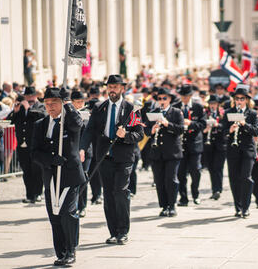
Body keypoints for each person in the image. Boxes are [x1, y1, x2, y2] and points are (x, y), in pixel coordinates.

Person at [80, 74, 144, 244]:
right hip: (104, 157)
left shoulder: (131, 109)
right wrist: (82, 148)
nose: (112, 90)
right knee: (108, 195)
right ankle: (113, 231)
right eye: (110, 87)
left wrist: (126, 135)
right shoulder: (100, 108)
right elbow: (89, 130)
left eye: (115, 87)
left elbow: (140, 133)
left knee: (120, 192)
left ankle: (123, 231)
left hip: (124, 157)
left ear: (122, 88)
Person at [31, 87, 85, 266]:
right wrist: (50, 160)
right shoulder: (40, 125)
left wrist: (68, 103)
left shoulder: (69, 121)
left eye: (54, 103)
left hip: (70, 175)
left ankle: (71, 251)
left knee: (68, 214)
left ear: (61, 103)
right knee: (54, 216)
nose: (50, 107)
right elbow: (35, 152)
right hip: (51, 176)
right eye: (46, 103)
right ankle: (61, 252)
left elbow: (78, 124)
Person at [145, 87, 184, 217]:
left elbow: (181, 129)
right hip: (157, 152)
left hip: (172, 152)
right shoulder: (153, 112)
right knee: (159, 180)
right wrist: (151, 130)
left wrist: (167, 124)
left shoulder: (176, 112)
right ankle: (164, 206)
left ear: (170, 99)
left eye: (164, 98)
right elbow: (144, 130)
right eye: (159, 98)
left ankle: (172, 205)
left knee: (171, 179)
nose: (162, 101)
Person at [222, 87, 258, 218]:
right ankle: (238, 207)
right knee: (234, 179)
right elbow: (222, 132)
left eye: (242, 99)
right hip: (233, 150)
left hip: (248, 150)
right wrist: (230, 131)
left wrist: (245, 124)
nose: (239, 101)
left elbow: (256, 131)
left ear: (247, 100)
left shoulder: (252, 113)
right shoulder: (228, 112)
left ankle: (246, 207)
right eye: (237, 98)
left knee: (246, 177)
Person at [7, 86, 46, 203]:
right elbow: (10, 120)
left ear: (36, 96)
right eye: (27, 96)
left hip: (36, 144)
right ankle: (30, 195)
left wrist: (29, 109)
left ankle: (38, 193)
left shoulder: (41, 106)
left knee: (37, 170)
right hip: (23, 145)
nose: (29, 98)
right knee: (26, 170)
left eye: (31, 96)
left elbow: (42, 117)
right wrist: (16, 111)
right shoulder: (21, 108)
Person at [173, 84, 206, 206]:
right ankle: (183, 197)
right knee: (181, 173)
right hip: (180, 144)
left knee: (195, 170)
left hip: (195, 145)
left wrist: (191, 123)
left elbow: (202, 124)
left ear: (191, 96)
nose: (184, 98)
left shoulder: (198, 107)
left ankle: (195, 194)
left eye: (186, 96)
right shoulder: (175, 107)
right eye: (182, 96)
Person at [71, 90, 91, 218]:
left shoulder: (87, 114)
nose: (80, 104)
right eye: (78, 102)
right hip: (72, 150)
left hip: (86, 150)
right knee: (73, 179)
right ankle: (73, 204)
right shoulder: (69, 114)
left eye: (82, 101)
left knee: (83, 177)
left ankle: (82, 206)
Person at [202, 94, 227, 200]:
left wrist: (217, 125)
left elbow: (226, 127)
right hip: (209, 145)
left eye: (214, 104)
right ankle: (214, 189)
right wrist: (205, 129)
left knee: (218, 167)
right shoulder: (205, 114)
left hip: (220, 144)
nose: (212, 105)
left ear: (217, 104)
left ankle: (218, 189)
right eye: (211, 104)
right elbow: (201, 126)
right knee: (211, 168)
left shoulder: (223, 114)